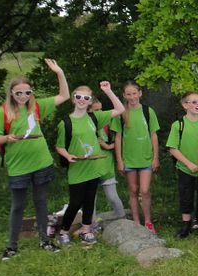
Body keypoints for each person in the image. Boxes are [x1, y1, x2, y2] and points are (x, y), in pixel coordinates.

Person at [0, 58, 69, 260]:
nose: (24, 96)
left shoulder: (36, 107)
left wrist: (59, 72)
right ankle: (11, 246)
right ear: (11, 93)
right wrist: (7, 138)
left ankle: (45, 240)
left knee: (41, 202)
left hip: (41, 162)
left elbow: (64, 95)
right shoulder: (2, 112)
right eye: (19, 93)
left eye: (27, 92)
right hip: (18, 166)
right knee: (18, 205)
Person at [56, 82, 125, 246]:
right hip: (77, 168)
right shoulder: (65, 123)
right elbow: (59, 146)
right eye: (78, 96)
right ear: (73, 99)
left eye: (86, 98)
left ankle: (86, 230)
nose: (81, 100)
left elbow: (120, 109)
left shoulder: (94, 117)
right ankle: (63, 232)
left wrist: (108, 91)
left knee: (89, 200)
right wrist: (68, 155)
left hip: (93, 168)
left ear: (89, 102)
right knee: (75, 202)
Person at [166, 92, 198, 238]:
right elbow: (172, 148)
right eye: (193, 102)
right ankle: (186, 225)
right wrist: (188, 164)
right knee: (186, 196)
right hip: (186, 169)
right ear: (185, 105)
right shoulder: (179, 125)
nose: (197, 104)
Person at [111, 81, 160, 233]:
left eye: (134, 93)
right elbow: (118, 138)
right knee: (133, 190)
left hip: (146, 157)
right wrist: (119, 160)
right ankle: (136, 222)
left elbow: (153, 134)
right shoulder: (121, 113)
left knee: (144, 190)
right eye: (128, 94)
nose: (132, 97)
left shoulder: (147, 111)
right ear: (124, 96)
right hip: (129, 159)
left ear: (140, 93)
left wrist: (155, 157)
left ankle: (148, 221)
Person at [89, 99, 126, 224]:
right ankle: (91, 225)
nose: (100, 112)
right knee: (91, 198)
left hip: (106, 165)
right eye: (96, 110)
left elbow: (119, 137)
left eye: (101, 109)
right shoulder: (85, 122)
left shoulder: (109, 120)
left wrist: (108, 146)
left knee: (112, 197)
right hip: (90, 166)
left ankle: (123, 219)